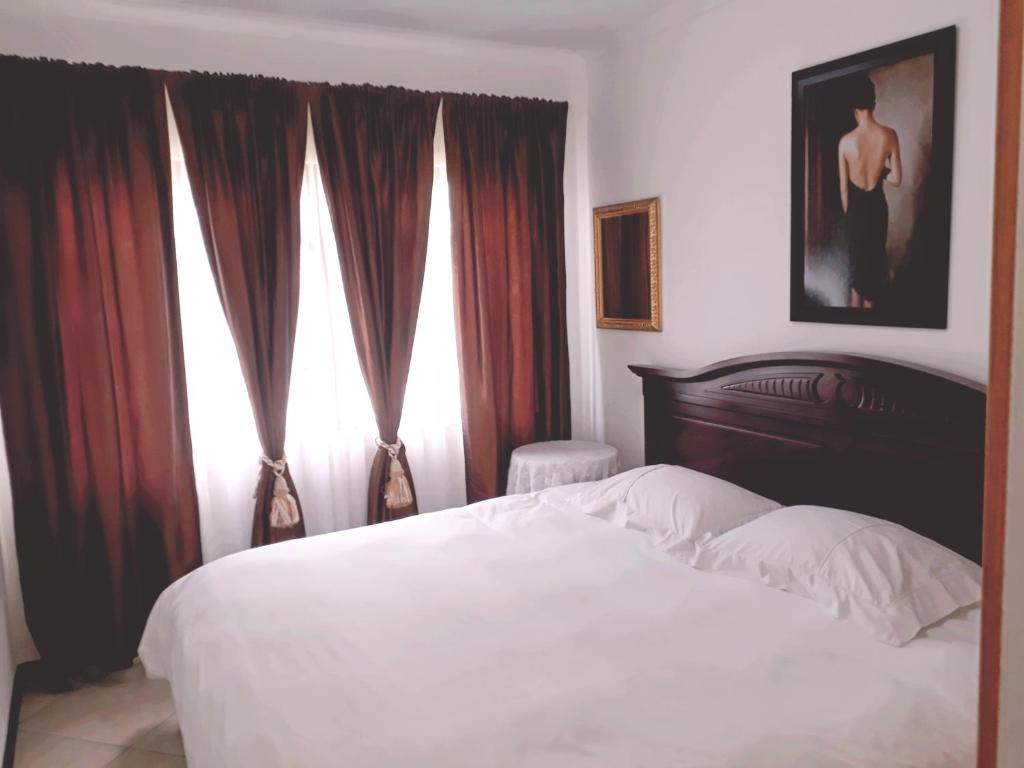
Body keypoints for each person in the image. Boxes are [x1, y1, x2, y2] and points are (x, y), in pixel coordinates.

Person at [838, 74, 902, 308]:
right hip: (877, 210)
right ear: (874, 104)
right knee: (872, 274)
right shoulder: (889, 135)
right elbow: (896, 179)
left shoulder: (845, 142)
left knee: (857, 277)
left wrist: (851, 221)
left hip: (855, 214)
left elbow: (844, 192)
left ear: (854, 108)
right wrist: (882, 171)